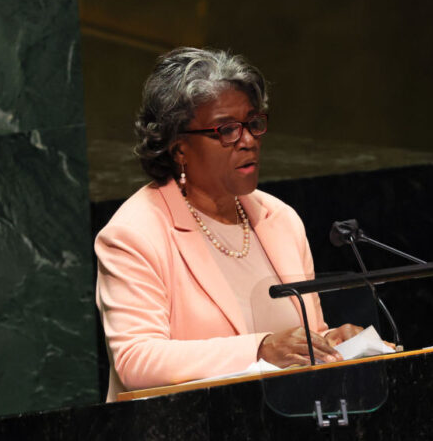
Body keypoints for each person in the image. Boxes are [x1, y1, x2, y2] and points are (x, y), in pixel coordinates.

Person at [95, 47, 362, 402]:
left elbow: (301, 340)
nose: (248, 141)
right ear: (178, 148)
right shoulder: (134, 234)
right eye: (226, 130)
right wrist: (260, 348)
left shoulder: (280, 220)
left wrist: (329, 345)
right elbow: (137, 361)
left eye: (252, 124)